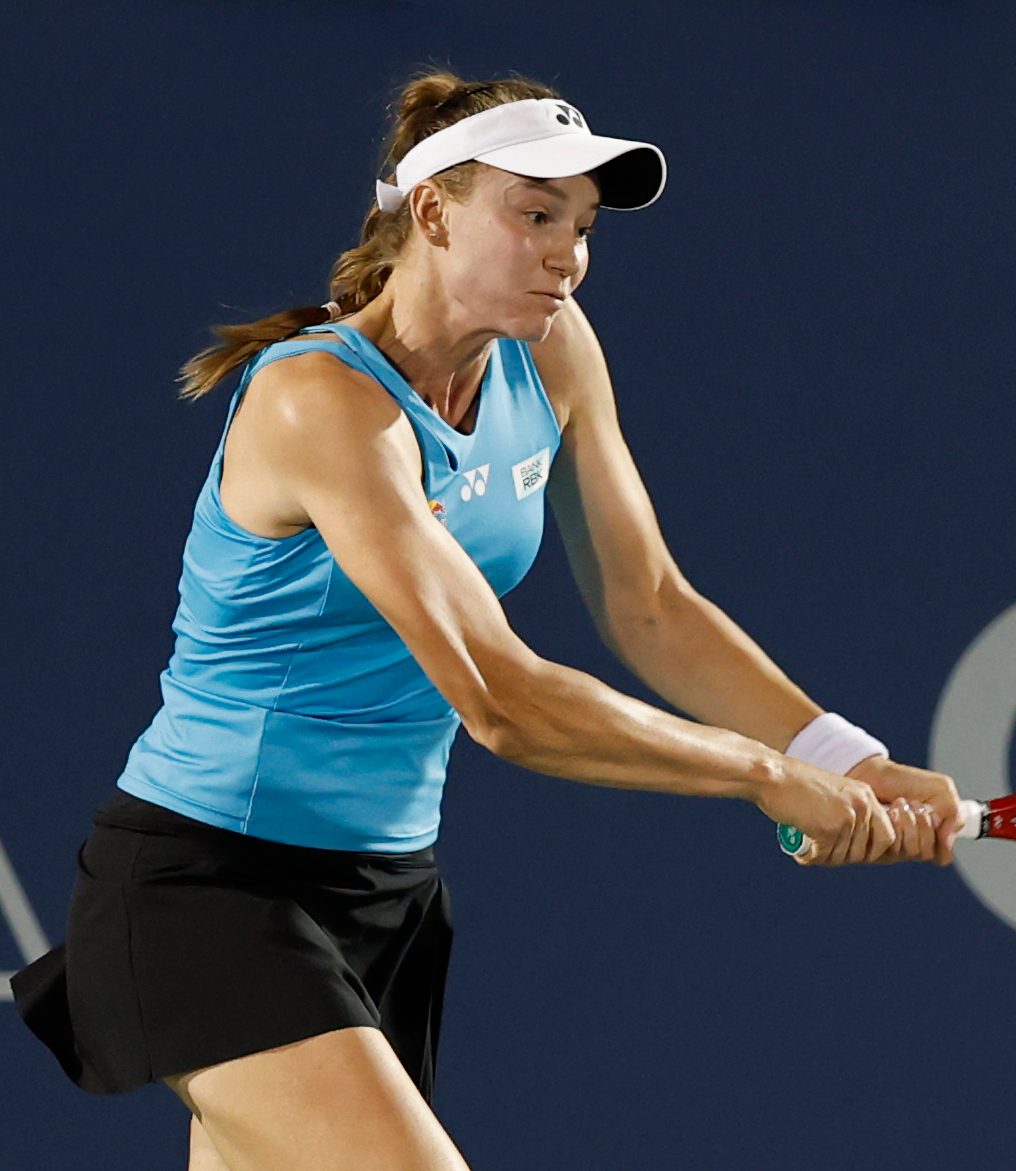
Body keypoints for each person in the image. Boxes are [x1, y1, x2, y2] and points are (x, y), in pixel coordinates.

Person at [10, 70, 961, 1171]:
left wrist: (838, 755)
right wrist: (761, 775)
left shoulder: (552, 351)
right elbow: (499, 697)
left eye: (584, 226)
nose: (568, 253)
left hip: (383, 895)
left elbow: (648, 602)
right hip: (209, 886)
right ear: (432, 213)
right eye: (536, 214)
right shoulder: (320, 399)